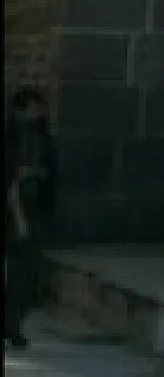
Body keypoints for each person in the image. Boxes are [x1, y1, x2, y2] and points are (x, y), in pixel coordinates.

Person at [4, 87, 57, 352]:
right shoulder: (11, 140)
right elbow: (10, 182)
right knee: (19, 273)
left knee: (29, 276)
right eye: (33, 108)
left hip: (36, 210)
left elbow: (49, 173)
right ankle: (11, 325)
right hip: (16, 213)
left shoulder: (42, 138)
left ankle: (12, 322)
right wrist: (18, 217)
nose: (37, 113)